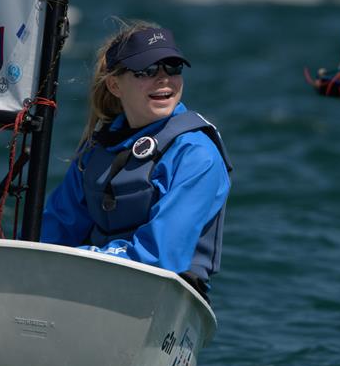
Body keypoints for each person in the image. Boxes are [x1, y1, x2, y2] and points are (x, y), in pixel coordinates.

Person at [40, 20, 232, 301]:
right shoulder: (95, 152)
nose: (164, 78)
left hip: (160, 294)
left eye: (173, 67)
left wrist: (81, 258)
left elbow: (161, 256)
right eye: (147, 70)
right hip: (86, 284)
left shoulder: (195, 154)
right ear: (115, 85)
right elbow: (54, 231)